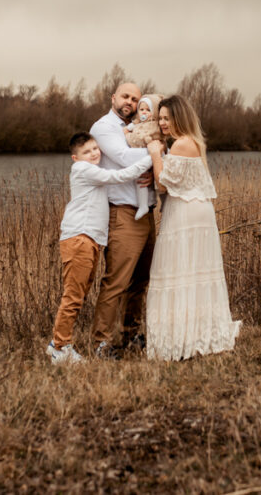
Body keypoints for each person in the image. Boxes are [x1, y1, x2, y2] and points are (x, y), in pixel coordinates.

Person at [145, 95, 240, 361]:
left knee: (180, 267)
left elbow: (163, 183)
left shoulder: (182, 144)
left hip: (188, 213)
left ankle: (184, 338)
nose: (163, 123)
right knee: (190, 268)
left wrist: (155, 154)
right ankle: (191, 331)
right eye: (160, 118)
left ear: (180, 118)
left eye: (167, 118)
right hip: (193, 209)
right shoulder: (190, 142)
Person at [46, 132, 152, 365]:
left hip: (90, 240)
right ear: (76, 158)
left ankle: (59, 344)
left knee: (79, 294)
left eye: (95, 148)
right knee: (73, 296)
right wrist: (152, 156)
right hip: (79, 238)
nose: (94, 153)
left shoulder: (93, 171)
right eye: (87, 152)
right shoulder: (84, 170)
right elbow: (121, 175)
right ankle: (59, 347)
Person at [89, 82, 156, 358]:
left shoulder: (141, 126)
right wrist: (158, 153)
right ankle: (101, 343)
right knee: (116, 280)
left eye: (135, 99)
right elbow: (125, 158)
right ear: (114, 97)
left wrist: (155, 169)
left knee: (141, 280)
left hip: (147, 212)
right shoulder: (103, 127)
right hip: (123, 213)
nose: (130, 102)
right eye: (126, 96)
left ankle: (132, 334)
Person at [124, 93, 164, 221]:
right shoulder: (138, 124)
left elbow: (138, 140)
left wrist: (127, 136)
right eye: (142, 109)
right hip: (146, 157)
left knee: (159, 179)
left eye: (148, 110)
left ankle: (161, 202)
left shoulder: (153, 125)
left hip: (153, 156)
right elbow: (133, 127)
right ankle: (143, 205)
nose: (144, 113)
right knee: (141, 180)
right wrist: (130, 127)